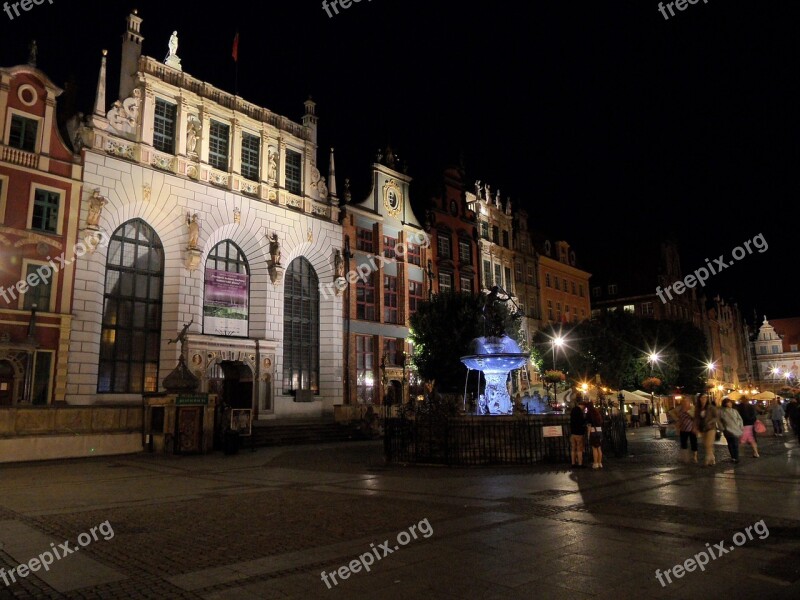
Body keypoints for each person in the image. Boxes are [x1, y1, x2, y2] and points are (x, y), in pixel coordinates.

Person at [694, 393, 718, 467]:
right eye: (702, 398)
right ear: (699, 399)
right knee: (707, 445)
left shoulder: (711, 407)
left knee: (708, 444)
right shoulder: (698, 408)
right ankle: (712, 458)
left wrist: (710, 422)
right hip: (702, 428)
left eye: (705, 398)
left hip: (711, 428)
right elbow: (696, 418)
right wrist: (696, 427)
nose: (703, 399)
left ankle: (707, 460)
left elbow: (716, 417)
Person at [718, 398, 743, 463]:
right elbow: (719, 421)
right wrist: (722, 428)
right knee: (730, 443)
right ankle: (733, 457)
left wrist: (740, 426)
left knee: (735, 443)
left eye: (730, 402)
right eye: (728, 402)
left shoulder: (734, 411)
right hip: (727, 430)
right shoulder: (722, 412)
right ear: (725, 404)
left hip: (735, 429)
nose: (730, 404)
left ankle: (736, 457)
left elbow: (739, 419)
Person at [677, 397, 698, 464]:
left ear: (689, 402)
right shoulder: (680, 409)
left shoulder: (692, 409)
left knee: (693, 443)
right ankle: (685, 457)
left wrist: (688, 411)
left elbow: (695, 417)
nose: (685, 403)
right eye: (684, 401)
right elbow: (679, 418)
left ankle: (694, 457)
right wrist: (678, 426)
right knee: (683, 443)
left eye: (686, 401)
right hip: (683, 429)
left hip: (692, 428)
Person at [585, 401, 604, 469]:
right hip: (599, 431)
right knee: (599, 448)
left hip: (593, 431)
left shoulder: (589, 413)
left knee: (594, 448)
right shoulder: (597, 412)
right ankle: (600, 463)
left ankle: (595, 463)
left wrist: (588, 435)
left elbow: (589, 425)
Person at [569, 401, 587, 468]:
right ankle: (580, 464)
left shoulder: (573, 410)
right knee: (579, 449)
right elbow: (581, 421)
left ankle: (573, 463)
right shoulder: (579, 412)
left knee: (573, 448)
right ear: (582, 405)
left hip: (572, 432)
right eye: (584, 407)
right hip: (579, 433)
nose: (584, 408)